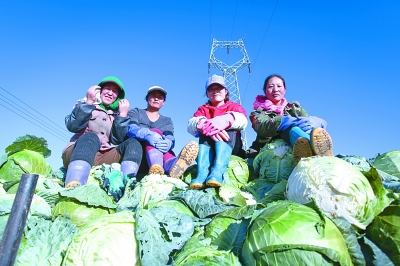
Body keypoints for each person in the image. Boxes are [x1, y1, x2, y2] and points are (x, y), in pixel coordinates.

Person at [62, 76, 142, 201]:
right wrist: (88, 102)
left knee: (133, 143)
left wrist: (122, 116)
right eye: (107, 89)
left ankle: (128, 184)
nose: (110, 93)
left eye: (115, 91)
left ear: (118, 96)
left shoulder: (116, 114)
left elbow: (117, 141)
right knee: (91, 137)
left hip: (102, 156)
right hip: (78, 153)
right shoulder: (84, 103)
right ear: (100, 90)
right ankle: (74, 183)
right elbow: (72, 126)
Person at [247, 74, 333, 164]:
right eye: (271, 86)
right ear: (265, 91)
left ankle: (319, 150)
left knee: (310, 128)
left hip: (292, 151)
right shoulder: (258, 112)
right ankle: (317, 154)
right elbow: (262, 126)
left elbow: (306, 122)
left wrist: (316, 122)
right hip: (267, 152)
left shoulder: (294, 108)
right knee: (292, 129)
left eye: (279, 86)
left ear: (284, 90)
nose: (275, 89)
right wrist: (288, 122)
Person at [187, 75, 248, 190]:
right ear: (207, 93)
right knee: (204, 130)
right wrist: (203, 124)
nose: (215, 92)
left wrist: (225, 120)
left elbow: (243, 121)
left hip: (232, 146)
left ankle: (217, 171)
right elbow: (190, 124)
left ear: (225, 91)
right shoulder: (203, 109)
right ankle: (202, 173)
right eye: (211, 89)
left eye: (218, 89)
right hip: (209, 147)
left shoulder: (234, 106)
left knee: (228, 128)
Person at [126, 86, 199, 178]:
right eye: (153, 96)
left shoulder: (167, 121)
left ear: (163, 102)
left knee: (166, 146)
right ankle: (156, 166)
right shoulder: (136, 112)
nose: (156, 98)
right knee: (156, 132)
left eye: (160, 97)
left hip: (161, 155)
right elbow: (130, 129)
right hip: (137, 154)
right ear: (147, 98)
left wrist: (169, 142)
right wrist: (147, 134)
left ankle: (172, 164)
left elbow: (170, 136)